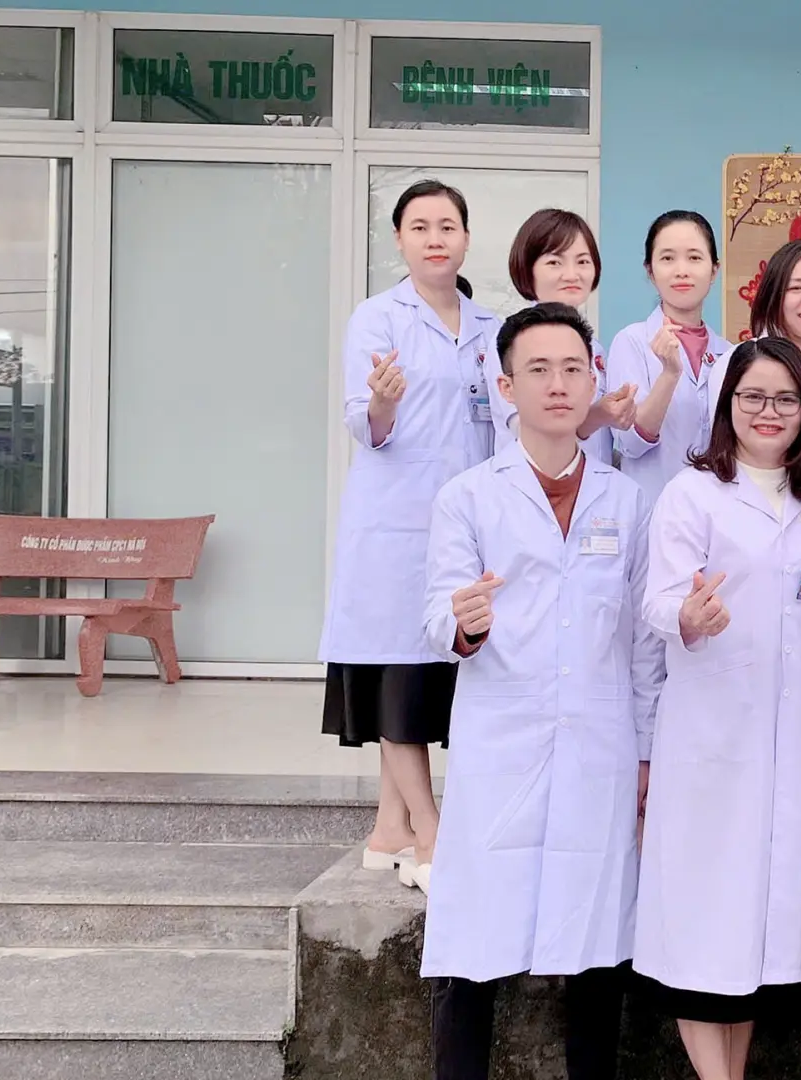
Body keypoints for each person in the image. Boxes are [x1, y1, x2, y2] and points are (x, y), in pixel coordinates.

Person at [418, 303, 661, 1080]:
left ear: (594, 380)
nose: (557, 385)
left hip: (598, 743)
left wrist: (648, 752)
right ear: (505, 387)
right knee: (475, 938)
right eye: (538, 370)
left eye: (572, 369)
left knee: (594, 942)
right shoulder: (467, 497)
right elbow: (438, 613)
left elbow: (644, 643)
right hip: (502, 743)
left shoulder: (627, 502)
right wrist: (464, 624)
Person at [635, 336, 801, 1080]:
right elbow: (658, 599)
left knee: (756, 926)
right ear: (727, 405)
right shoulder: (693, 493)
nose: (768, 412)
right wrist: (689, 616)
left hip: (791, 734)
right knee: (703, 910)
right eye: (753, 397)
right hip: (713, 731)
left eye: (786, 398)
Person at [318, 179, 496, 888]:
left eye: (447, 226)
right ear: (399, 239)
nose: (434, 239)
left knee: (432, 672)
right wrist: (384, 404)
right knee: (397, 669)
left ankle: (388, 829)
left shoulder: (487, 328)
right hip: (394, 524)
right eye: (419, 226)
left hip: (466, 521)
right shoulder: (376, 319)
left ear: (465, 238)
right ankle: (431, 833)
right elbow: (364, 425)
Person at [608, 210, 734, 499]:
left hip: (716, 512)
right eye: (667, 258)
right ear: (650, 271)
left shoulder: (728, 354)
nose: (681, 270)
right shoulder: (631, 342)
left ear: (714, 271)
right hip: (652, 509)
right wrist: (669, 374)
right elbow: (629, 443)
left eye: (694, 257)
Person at [495, 209, 636, 463]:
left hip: (592, 479)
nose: (572, 274)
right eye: (555, 262)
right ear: (527, 268)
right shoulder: (512, 340)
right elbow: (530, 430)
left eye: (582, 262)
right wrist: (599, 415)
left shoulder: (594, 347)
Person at [711, 239, 801, 486]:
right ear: (773, 295)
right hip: (773, 500)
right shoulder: (742, 361)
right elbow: (725, 447)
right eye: (796, 288)